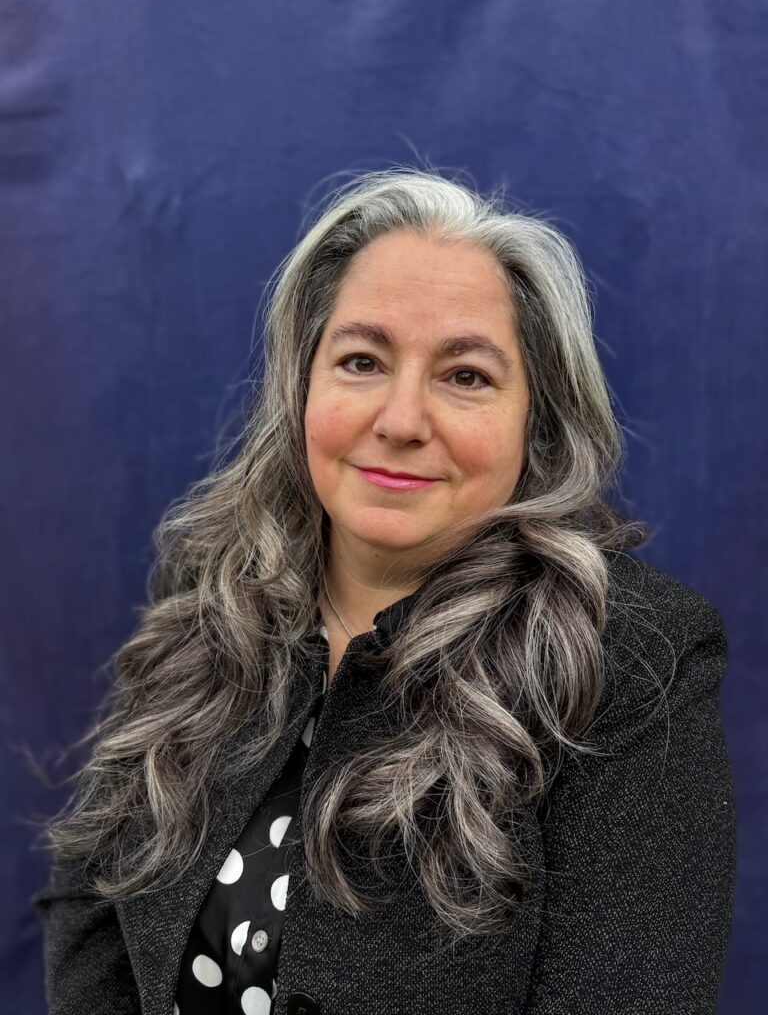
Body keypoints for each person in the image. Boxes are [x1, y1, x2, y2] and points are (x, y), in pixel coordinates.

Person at [31, 166, 736, 1015]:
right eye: (361, 361)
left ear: (537, 419)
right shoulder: (213, 598)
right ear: (302, 387)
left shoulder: (631, 660)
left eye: (466, 376)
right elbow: (94, 901)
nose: (401, 421)